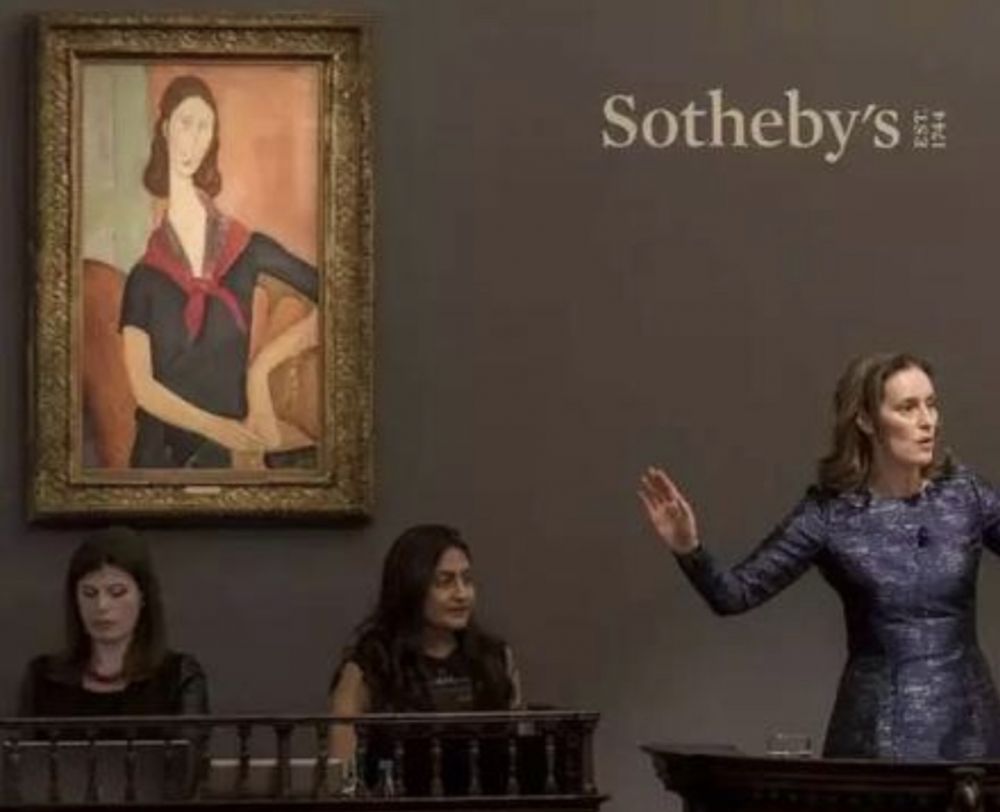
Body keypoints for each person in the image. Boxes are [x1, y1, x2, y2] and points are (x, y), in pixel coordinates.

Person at [639, 352, 1000, 761]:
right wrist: (689, 548)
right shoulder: (830, 515)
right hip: (875, 736)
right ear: (866, 420)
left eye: (931, 405)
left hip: (971, 735)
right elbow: (734, 595)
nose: (927, 421)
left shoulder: (966, 495)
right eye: (907, 408)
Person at [120, 74, 319, 469]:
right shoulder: (144, 277)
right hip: (160, 458)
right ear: (165, 129)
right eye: (185, 123)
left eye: (204, 127)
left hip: (228, 453)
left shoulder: (247, 249)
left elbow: (342, 294)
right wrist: (215, 427)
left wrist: (261, 371)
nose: (193, 139)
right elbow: (143, 389)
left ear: (212, 139)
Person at [328, 524, 522, 793]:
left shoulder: (494, 658)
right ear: (411, 588)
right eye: (445, 582)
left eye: (467, 579)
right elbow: (342, 779)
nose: (462, 594)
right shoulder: (370, 664)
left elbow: (518, 757)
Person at [19, 526, 208, 718]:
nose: (101, 606)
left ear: (142, 596)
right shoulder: (44, 678)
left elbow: (190, 738)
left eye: (117, 592)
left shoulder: (178, 677)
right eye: (89, 593)